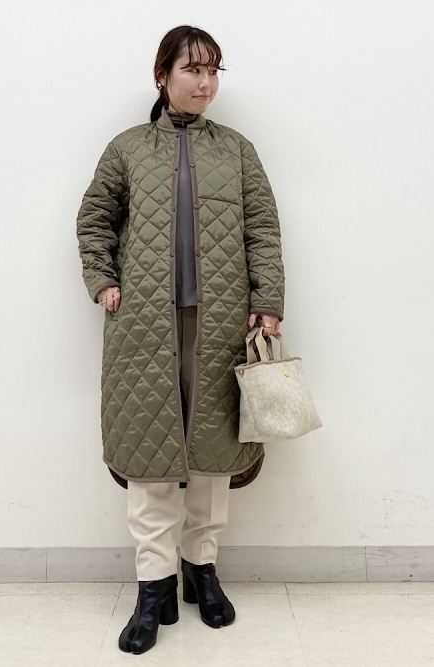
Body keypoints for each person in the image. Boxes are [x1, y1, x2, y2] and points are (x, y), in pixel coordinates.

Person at [76, 25, 285, 654]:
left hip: (221, 325)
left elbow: (262, 230)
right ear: (163, 75)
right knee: (150, 451)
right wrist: (103, 281)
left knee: (212, 451)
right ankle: (153, 587)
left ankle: (202, 570)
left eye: (213, 71)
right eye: (193, 70)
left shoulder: (238, 150)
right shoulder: (127, 148)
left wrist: (267, 303)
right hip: (144, 325)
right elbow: (94, 218)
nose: (205, 82)